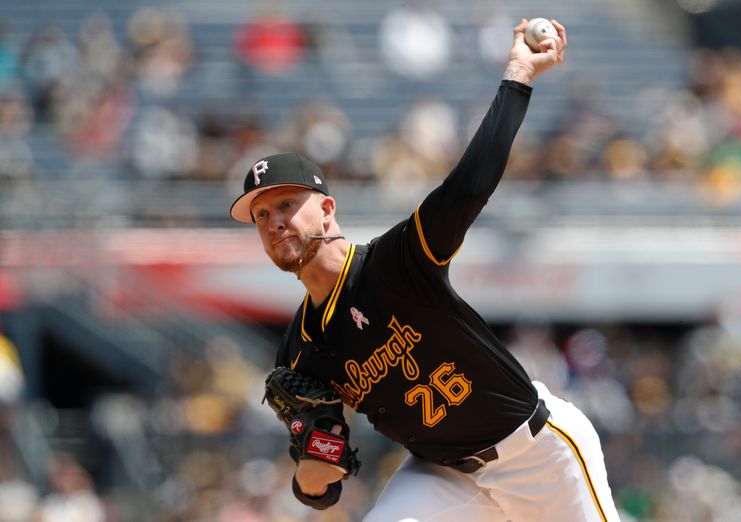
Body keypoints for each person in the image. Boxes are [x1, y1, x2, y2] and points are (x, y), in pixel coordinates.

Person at [229, 19, 620, 522]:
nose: (274, 222)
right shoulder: (300, 350)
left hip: (535, 451)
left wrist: (520, 72)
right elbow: (319, 492)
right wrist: (314, 463)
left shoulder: (396, 263)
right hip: (443, 473)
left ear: (327, 209)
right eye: (261, 216)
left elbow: (470, 185)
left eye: (285, 204)